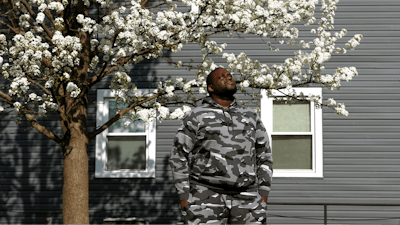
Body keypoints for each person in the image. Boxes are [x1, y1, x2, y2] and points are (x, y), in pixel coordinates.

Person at [169, 68, 273, 225]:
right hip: (204, 197)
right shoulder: (196, 116)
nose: (228, 77)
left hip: (248, 198)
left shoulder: (251, 116)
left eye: (229, 74)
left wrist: (263, 194)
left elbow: (264, 155)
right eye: (221, 76)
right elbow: (178, 155)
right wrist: (184, 197)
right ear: (210, 88)